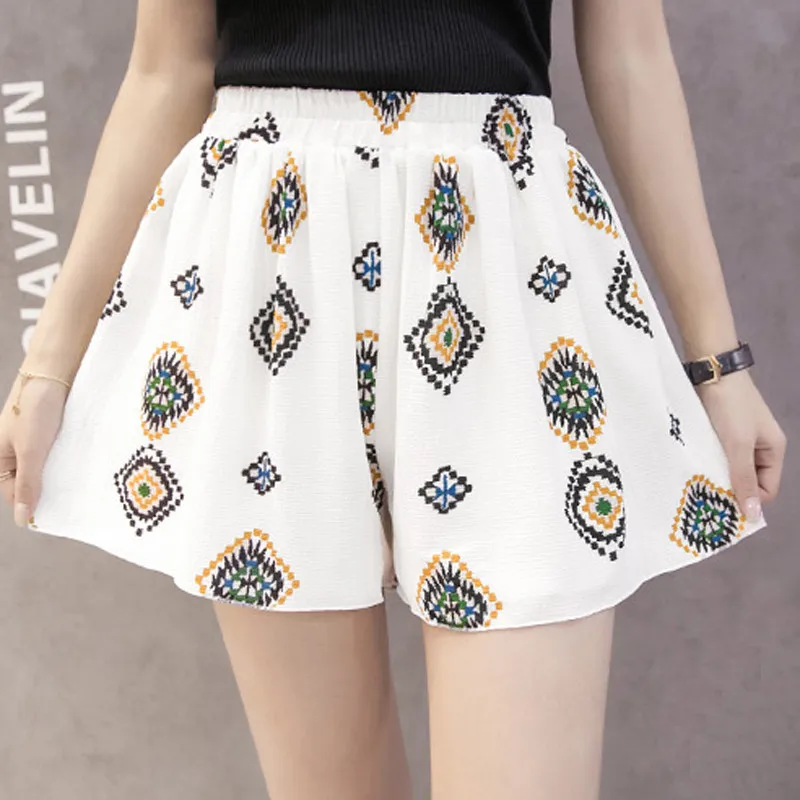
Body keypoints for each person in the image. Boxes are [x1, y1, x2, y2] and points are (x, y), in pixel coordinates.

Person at [0, 1, 787, 797]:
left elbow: (630, 53)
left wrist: (719, 365)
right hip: (275, 278)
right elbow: (166, 70)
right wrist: (47, 370)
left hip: (502, 262)